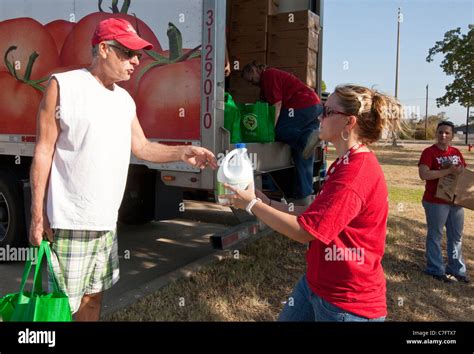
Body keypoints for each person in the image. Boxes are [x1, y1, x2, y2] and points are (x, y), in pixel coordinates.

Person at [29, 18, 218, 321]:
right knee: (58, 309)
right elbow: (43, 152)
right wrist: (38, 217)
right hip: (68, 224)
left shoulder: (125, 101)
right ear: (103, 49)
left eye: (139, 55)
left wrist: (182, 151)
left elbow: (142, 147)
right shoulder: (62, 86)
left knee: (92, 300)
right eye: (128, 53)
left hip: (106, 224)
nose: (136, 61)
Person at [223, 84, 402, 321]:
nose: (319, 116)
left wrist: (251, 205)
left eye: (328, 112)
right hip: (316, 285)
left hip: (346, 304)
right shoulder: (345, 162)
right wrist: (266, 201)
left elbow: (305, 232)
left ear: (349, 123)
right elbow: (316, 212)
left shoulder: (355, 174)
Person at [242, 62, 323, 206]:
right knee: (302, 154)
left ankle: (306, 138)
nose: (250, 82)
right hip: (314, 106)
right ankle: (303, 198)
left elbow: (276, 105)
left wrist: (270, 130)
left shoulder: (269, 75)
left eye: (250, 78)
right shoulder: (267, 83)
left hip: (302, 105)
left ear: (254, 69)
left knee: (280, 131)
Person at [418, 121, 469, 283]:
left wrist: (459, 170)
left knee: (456, 237)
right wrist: (447, 170)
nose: (443, 135)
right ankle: (435, 269)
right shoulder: (429, 152)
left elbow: (462, 172)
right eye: (440, 132)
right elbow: (424, 174)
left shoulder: (456, 152)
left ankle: (456, 269)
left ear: (452, 135)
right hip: (435, 200)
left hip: (455, 201)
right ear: (436, 134)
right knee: (435, 235)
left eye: (447, 133)